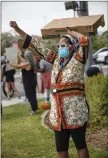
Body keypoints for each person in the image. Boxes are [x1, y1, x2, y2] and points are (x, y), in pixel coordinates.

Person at [9, 21, 89, 158]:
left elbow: (84, 40)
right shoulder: (56, 60)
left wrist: (69, 32)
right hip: (57, 114)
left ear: (71, 47)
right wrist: (17, 29)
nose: (60, 48)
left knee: (80, 146)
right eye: (58, 46)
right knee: (61, 149)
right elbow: (35, 44)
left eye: (63, 45)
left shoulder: (78, 59)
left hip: (75, 112)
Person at [8, 48, 38, 115]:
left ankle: (34, 110)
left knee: (30, 96)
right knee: (33, 95)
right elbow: (23, 61)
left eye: (25, 55)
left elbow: (18, 66)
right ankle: (35, 108)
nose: (24, 56)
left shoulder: (27, 64)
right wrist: (19, 55)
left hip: (28, 82)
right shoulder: (31, 62)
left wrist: (10, 63)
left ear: (27, 57)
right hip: (32, 81)